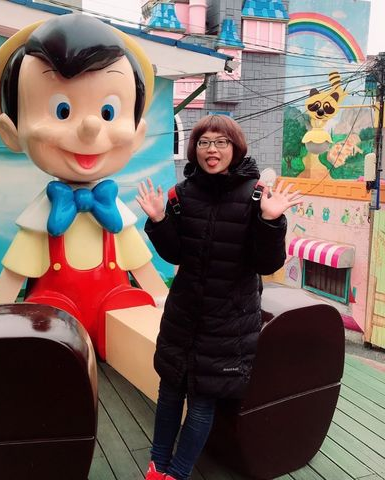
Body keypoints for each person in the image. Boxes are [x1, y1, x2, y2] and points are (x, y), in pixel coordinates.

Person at [0, 14, 168, 359]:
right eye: (62, 110)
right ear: (11, 132)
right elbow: (13, 276)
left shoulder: (115, 213)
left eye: (109, 112)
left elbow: (143, 268)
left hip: (113, 312)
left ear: (137, 134)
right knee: (49, 332)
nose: (90, 127)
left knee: (133, 315)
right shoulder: (42, 219)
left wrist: (164, 303)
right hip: (59, 317)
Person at [136, 114, 301, 480]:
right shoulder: (183, 193)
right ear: (195, 149)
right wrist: (160, 221)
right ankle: (156, 467)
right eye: (204, 142)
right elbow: (176, 253)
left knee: (202, 403)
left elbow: (267, 263)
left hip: (228, 321)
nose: (212, 150)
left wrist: (271, 221)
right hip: (183, 315)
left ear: (235, 148)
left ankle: (177, 474)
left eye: (221, 142)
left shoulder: (257, 195)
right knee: (169, 393)